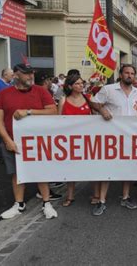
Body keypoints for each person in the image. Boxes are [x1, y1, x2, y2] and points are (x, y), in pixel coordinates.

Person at [0, 63, 58, 219]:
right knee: (16, 173)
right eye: (26, 73)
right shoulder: (4, 94)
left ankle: (46, 202)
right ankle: (19, 204)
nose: (30, 76)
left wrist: (28, 112)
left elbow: (53, 111)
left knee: (40, 172)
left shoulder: (40, 91)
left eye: (32, 73)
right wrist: (7, 140)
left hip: (37, 141)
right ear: (16, 75)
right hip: (13, 140)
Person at [90, 64, 137, 216]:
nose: (129, 75)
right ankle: (101, 200)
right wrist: (101, 109)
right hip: (111, 136)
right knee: (108, 167)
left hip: (130, 136)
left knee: (128, 167)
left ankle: (125, 197)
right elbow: (93, 102)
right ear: (120, 74)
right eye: (126, 72)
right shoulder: (109, 89)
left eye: (132, 73)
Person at [58, 74, 95, 207]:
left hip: (87, 139)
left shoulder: (89, 99)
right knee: (70, 168)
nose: (80, 86)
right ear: (70, 86)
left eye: (81, 83)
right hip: (70, 140)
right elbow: (59, 120)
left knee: (91, 167)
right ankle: (70, 195)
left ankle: (96, 194)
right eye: (77, 84)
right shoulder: (63, 100)